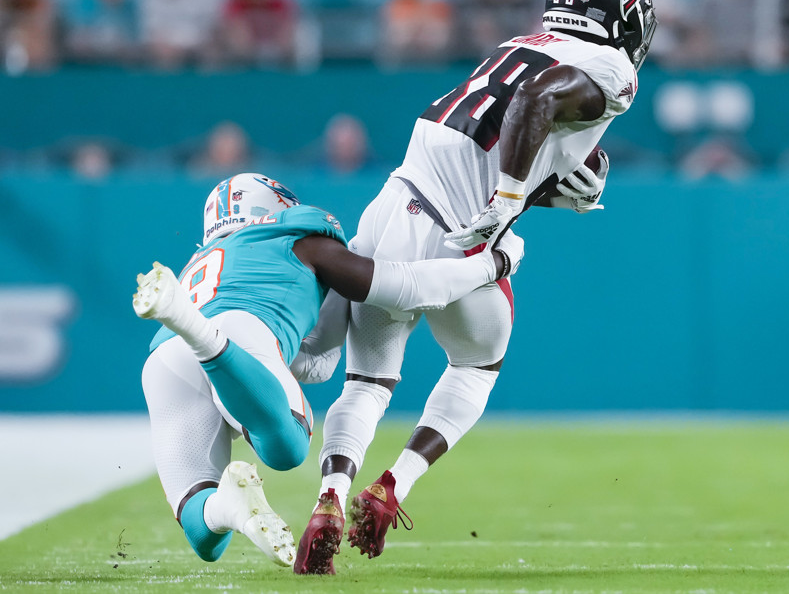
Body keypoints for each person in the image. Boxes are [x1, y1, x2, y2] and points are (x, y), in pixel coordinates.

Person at [294, 0, 656, 574]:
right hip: (454, 237)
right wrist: (516, 195)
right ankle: (394, 486)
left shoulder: (523, 42)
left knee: (366, 381)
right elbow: (535, 103)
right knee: (477, 364)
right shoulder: (609, 67)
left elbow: (503, 123)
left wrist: (543, 179)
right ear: (622, 11)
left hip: (390, 208)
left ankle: (329, 494)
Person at [133, 172, 523, 568]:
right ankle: (201, 334)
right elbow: (404, 288)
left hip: (164, 359)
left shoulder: (204, 260)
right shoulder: (300, 238)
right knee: (287, 447)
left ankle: (230, 508)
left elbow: (310, 363)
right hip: (238, 328)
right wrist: (494, 264)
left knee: (204, 536)